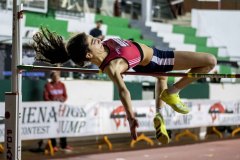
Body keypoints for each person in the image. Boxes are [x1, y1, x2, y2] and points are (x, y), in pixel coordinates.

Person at [32, 27, 217, 144]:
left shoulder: (103, 46)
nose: (97, 39)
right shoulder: (113, 66)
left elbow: (77, 49)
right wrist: (130, 117)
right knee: (210, 61)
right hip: (158, 58)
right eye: (92, 41)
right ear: (89, 55)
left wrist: (71, 47)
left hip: (143, 62)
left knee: (161, 78)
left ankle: (160, 115)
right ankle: (174, 91)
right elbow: (123, 91)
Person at [43, 71, 72, 152]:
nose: (56, 78)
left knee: (62, 126)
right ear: (51, 77)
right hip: (52, 111)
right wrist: (52, 102)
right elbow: (45, 97)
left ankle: (64, 145)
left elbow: (65, 96)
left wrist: (62, 99)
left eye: (57, 76)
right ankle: (53, 145)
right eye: (54, 76)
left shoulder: (62, 85)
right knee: (53, 127)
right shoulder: (47, 85)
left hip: (61, 110)